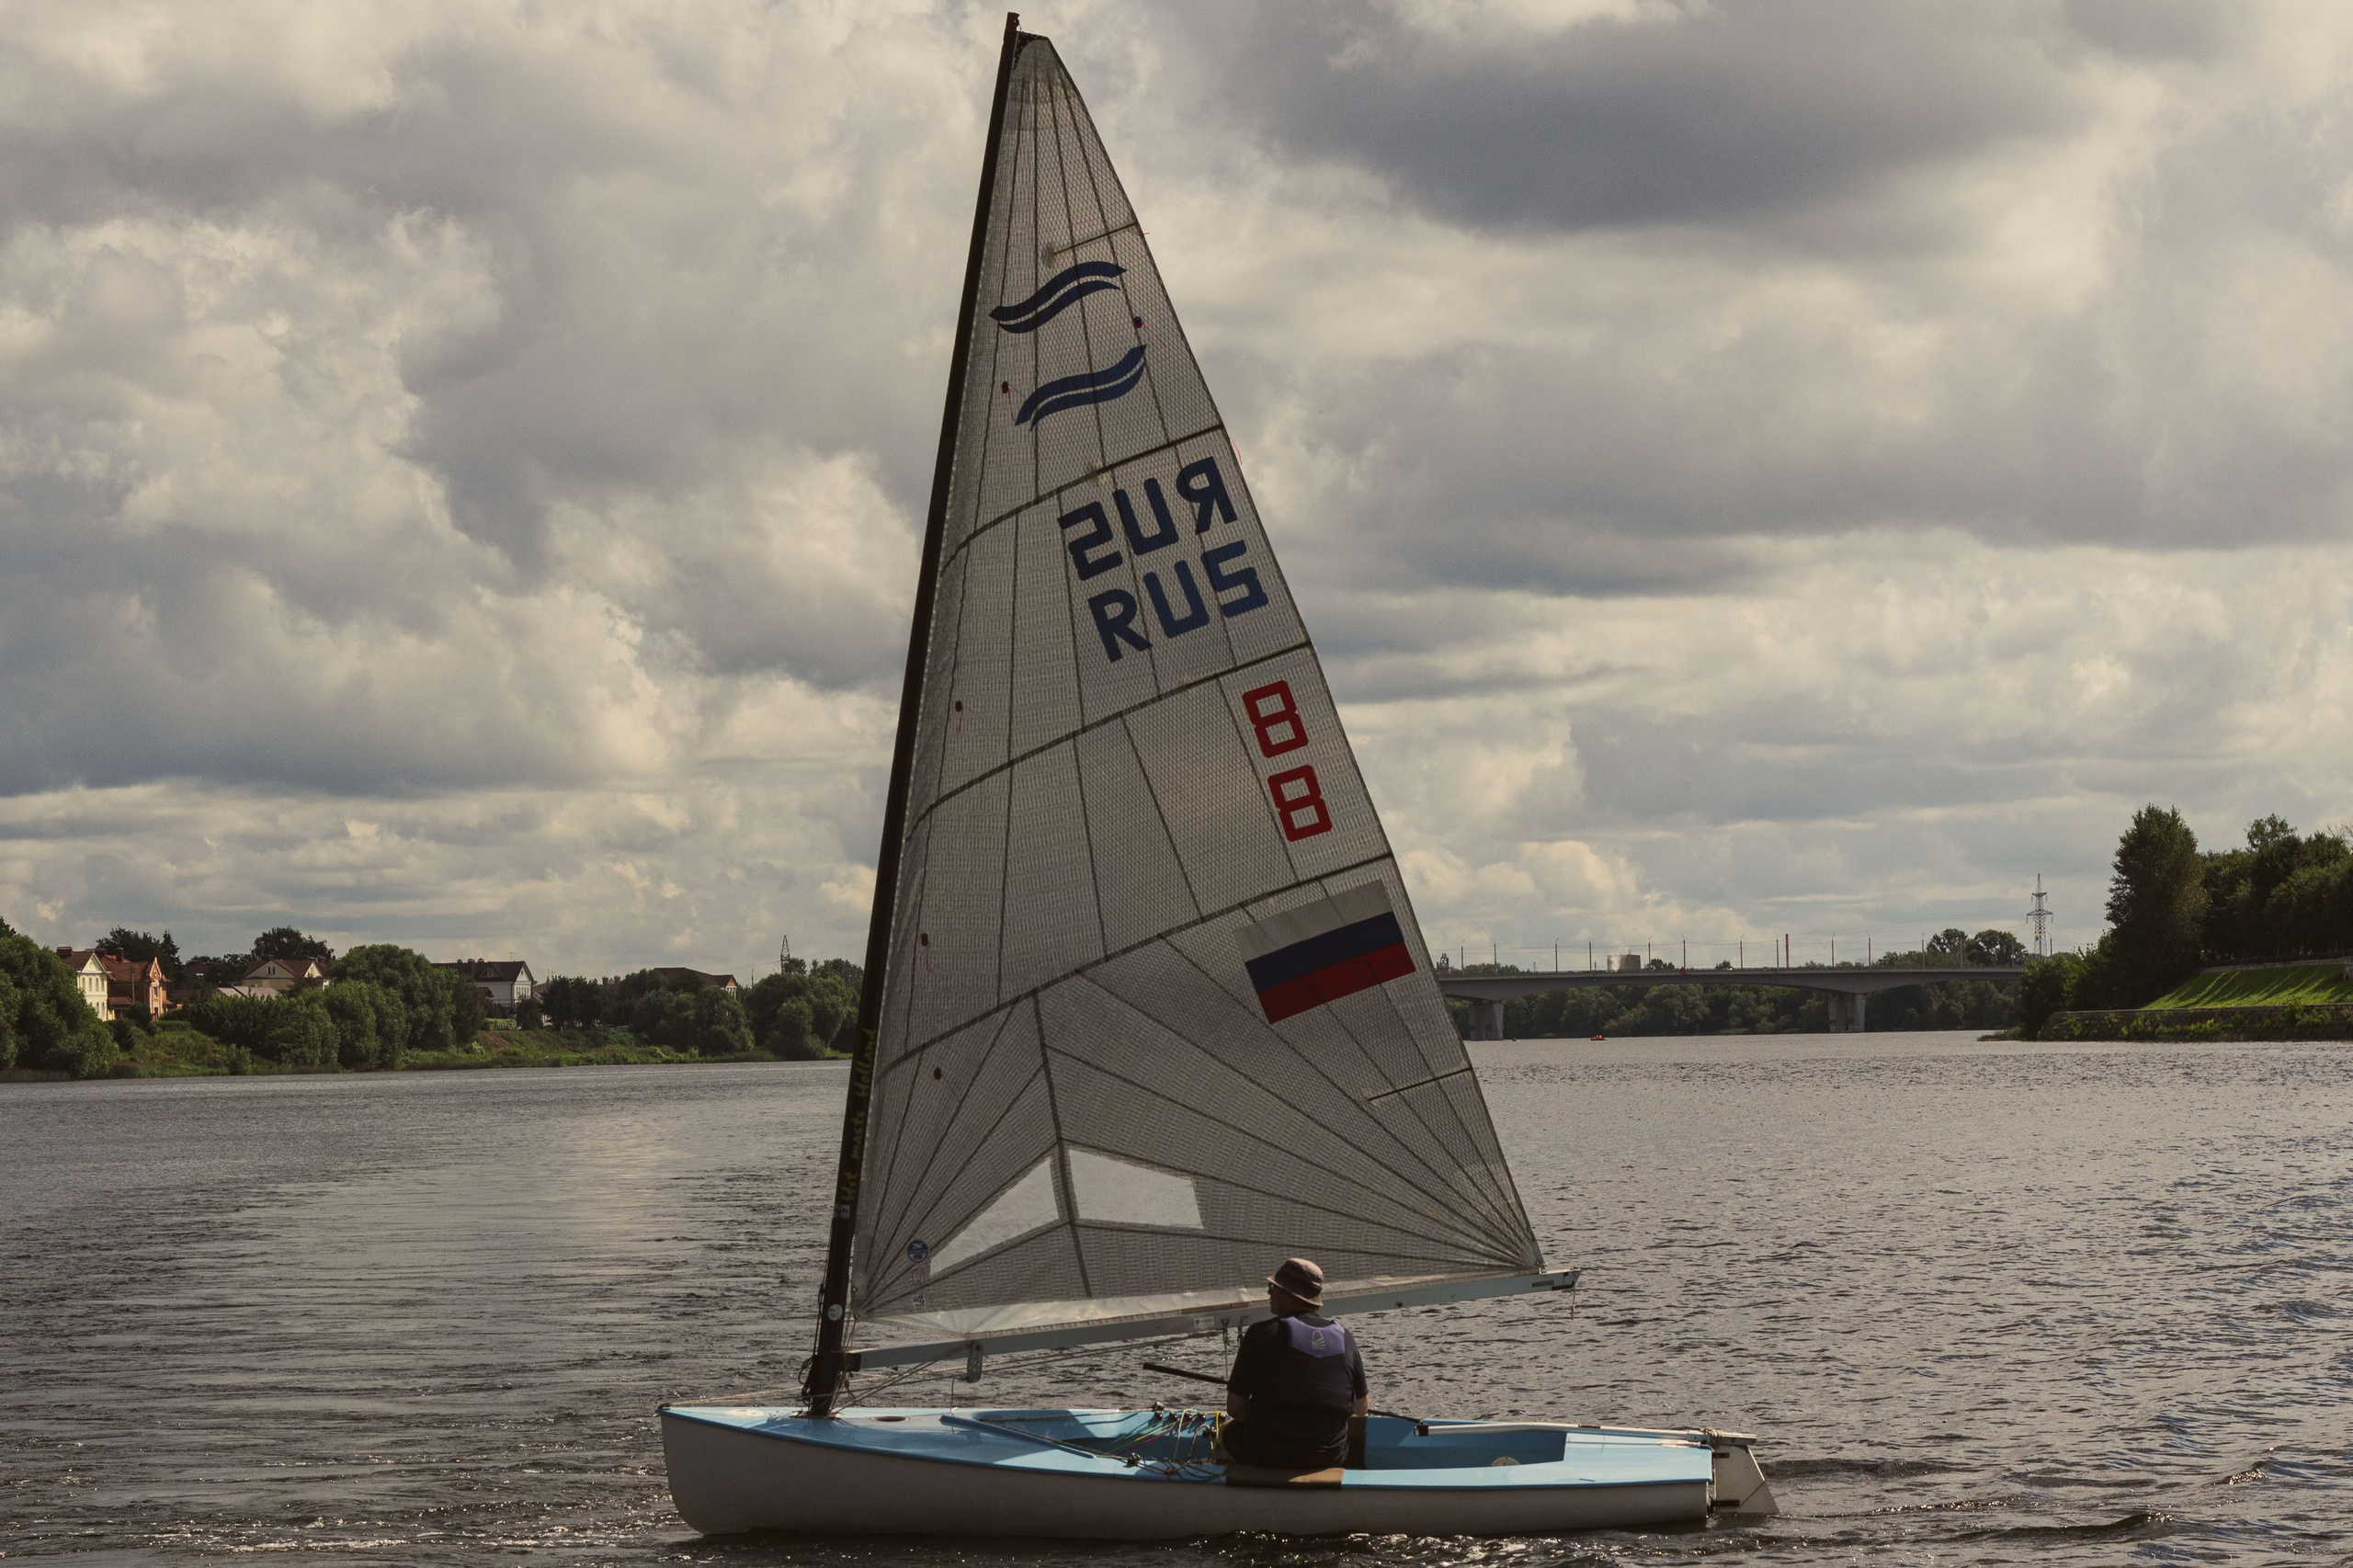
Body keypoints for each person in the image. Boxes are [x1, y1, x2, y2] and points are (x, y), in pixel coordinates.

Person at [1222, 1256, 1368, 1471]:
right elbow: (1361, 1408)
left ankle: (1236, 1492)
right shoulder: (1344, 1336)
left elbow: (1235, 1409)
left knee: (1227, 1429)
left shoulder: (1259, 1333)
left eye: (1273, 1287)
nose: (1269, 1293)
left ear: (1289, 1293)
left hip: (1268, 1454)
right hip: (1330, 1457)